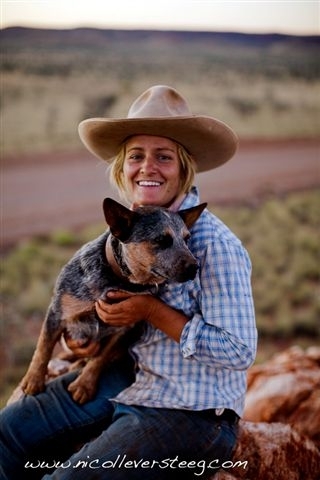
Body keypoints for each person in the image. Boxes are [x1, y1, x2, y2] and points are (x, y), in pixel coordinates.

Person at [0, 85, 257, 480]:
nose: (148, 167)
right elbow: (78, 307)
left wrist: (153, 311)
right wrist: (79, 339)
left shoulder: (216, 246)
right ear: (122, 168)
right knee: (7, 432)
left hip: (191, 412)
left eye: (164, 156)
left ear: (184, 168)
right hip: (124, 378)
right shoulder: (126, 233)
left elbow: (239, 351)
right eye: (136, 156)